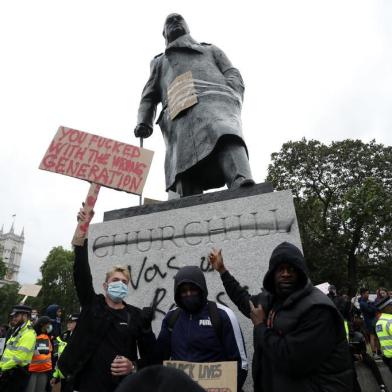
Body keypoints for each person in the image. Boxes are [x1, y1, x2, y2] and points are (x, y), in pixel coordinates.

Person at [135, 13, 254, 197]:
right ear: (164, 33)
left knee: (225, 133)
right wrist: (144, 121)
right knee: (183, 161)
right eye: (169, 21)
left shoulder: (210, 49)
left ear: (187, 26)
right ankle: (188, 198)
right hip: (178, 111)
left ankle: (240, 179)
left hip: (215, 100)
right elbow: (149, 95)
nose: (175, 22)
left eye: (178, 19)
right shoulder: (159, 62)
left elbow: (232, 73)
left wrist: (230, 93)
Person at [208, 242, 353, 392]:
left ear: (300, 272)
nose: (285, 273)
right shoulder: (271, 300)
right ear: (272, 274)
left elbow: (292, 361)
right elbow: (244, 301)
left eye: (291, 269)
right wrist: (222, 271)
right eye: (280, 269)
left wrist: (260, 327)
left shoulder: (318, 310)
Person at [56, 208, 156, 392]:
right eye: (115, 280)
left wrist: (133, 366)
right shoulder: (92, 304)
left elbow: (153, 358)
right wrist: (82, 228)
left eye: (124, 282)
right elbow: (81, 271)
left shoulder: (135, 315)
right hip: (83, 385)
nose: (120, 284)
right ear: (105, 286)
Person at [155, 265, 248, 391]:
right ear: (177, 293)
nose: (188, 294)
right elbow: (159, 359)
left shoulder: (223, 315)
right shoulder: (171, 318)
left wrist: (229, 388)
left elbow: (241, 363)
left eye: (193, 289)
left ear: (202, 289)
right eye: (183, 291)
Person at [0, 304, 36, 391]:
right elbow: (7, 352)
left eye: (17, 316)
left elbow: (19, 358)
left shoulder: (29, 334)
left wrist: (2, 368)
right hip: (8, 372)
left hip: (17, 374)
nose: (14, 318)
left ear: (25, 316)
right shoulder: (17, 330)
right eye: (13, 316)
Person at [115, 365, 205, 392]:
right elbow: (158, 355)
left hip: (182, 382)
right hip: (175, 381)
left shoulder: (216, 320)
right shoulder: (171, 321)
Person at [51, 313, 79, 392]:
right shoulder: (64, 336)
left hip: (75, 376)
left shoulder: (83, 338)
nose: (68, 324)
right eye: (68, 322)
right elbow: (60, 357)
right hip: (63, 374)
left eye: (71, 322)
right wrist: (55, 375)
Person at [26, 316, 53, 392]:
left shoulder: (47, 336)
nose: (49, 326)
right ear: (42, 324)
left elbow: (49, 352)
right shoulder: (32, 335)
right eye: (48, 324)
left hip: (44, 370)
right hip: (32, 370)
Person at [359, 288, 381, 359]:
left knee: (377, 337)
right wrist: (372, 305)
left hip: (374, 320)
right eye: (367, 293)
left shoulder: (367, 302)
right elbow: (371, 311)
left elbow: (376, 308)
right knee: (372, 337)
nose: (368, 295)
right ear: (363, 294)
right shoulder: (362, 303)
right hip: (369, 322)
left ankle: (379, 352)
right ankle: (374, 353)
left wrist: (371, 305)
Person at [375, 296, 392, 372]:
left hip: (387, 357)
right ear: (386, 307)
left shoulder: (379, 323)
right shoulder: (390, 321)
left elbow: (378, 340)